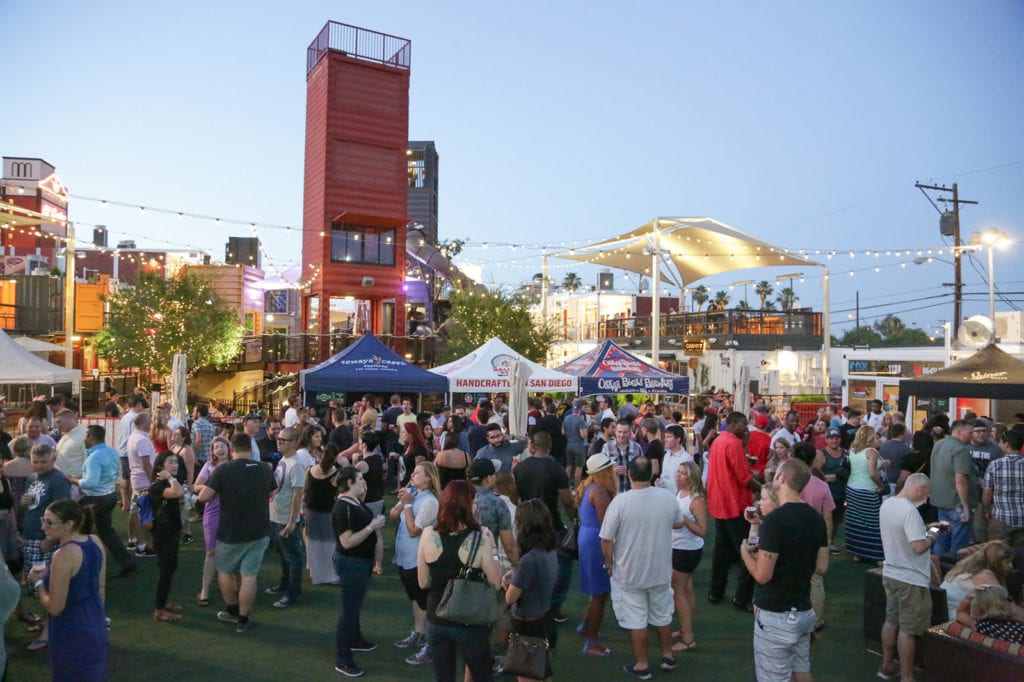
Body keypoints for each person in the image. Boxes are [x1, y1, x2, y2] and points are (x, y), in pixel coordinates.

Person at [739, 459, 829, 682]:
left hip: (775, 614)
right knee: (801, 672)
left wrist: (744, 553)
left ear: (782, 478)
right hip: (803, 610)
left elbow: (762, 575)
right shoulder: (815, 519)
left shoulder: (775, 521)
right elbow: (822, 567)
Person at [600, 457, 683, 679]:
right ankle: (668, 656)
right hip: (660, 569)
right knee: (662, 614)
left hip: (629, 571)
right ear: (652, 475)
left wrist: (608, 563)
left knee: (636, 618)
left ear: (629, 475)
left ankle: (642, 664)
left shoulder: (620, 501)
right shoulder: (667, 497)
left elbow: (606, 539)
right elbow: (677, 521)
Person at [417, 480, 502, 682]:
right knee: (482, 674)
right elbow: (496, 583)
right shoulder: (481, 538)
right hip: (470, 621)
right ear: (468, 504)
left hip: (436, 618)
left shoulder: (428, 534)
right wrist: (494, 550)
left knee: (444, 676)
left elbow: (423, 582)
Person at [196, 433, 276, 633]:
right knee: (249, 576)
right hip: (259, 530)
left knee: (225, 571)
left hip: (230, 531)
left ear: (232, 448)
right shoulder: (265, 469)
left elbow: (204, 497)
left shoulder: (223, 470)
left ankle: (232, 611)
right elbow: (272, 492)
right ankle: (243, 618)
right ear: (251, 447)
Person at [28, 499, 107, 681]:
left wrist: (39, 583)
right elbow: (100, 588)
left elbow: (55, 608)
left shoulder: (63, 555)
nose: (43, 527)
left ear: (68, 524)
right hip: (95, 622)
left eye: (49, 522)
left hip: (70, 630)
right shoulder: (95, 541)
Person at [877, 473, 943, 681]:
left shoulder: (887, 504)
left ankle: (887, 665)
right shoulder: (909, 511)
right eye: (926, 495)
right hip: (911, 578)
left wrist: (924, 529)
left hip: (890, 572)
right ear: (920, 489)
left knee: (891, 621)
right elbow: (918, 547)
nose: (925, 501)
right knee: (908, 629)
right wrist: (933, 534)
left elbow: (903, 533)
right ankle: (907, 676)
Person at [514, 431, 575, 624]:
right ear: (549, 446)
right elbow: (567, 499)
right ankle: (554, 606)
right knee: (561, 564)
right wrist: (573, 518)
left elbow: (515, 495)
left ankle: (526, 602)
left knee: (524, 565)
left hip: (526, 523)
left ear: (532, 445)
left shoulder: (520, 467)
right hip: (551, 524)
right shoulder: (557, 469)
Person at [332, 466, 387, 678]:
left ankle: (355, 640)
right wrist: (371, 527)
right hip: (351, 562)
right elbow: (346, 542)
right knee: (349, 610)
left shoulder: (354, 502)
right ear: (349, 483)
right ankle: (343, 659)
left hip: (360, 562)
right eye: (360, 479)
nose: (364, 482)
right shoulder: (343, 508)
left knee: (354, 606)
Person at [707, 411, 761, 612]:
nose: (746, 428)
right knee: (748, 549)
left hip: (719, 503)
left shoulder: (719, 441)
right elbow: (744, 478)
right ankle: (742, 597)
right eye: (743, 425)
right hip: (735, 505)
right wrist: (764, 489)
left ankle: (716, 591)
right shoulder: (733, 443)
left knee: (721, 551)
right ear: (733, 424)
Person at [22, 443, 72, 651]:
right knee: (36, 584)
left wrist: (49, 539)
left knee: (48, 584)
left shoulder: (59, 480)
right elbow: (34, 505)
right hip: (30, 538)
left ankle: (49, 632)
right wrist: (25, 503)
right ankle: (48, 622)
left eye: (44, 462)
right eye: (35, 462)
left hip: (44, 540)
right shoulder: (32, 478)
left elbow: (63, 512)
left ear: (52, 459)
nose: (39, 466)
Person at [69, 425, 137, 578]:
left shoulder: (94, 457)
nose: (84, 440)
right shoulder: (111, 451)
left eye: (85, 437)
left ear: (92, 437)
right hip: (109, 495)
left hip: (94, 499)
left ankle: (84, 565)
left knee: (81, 532)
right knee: (106, 532)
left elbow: (90, 483)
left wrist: (72, 479)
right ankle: (126, 561)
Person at [391, 461, 442, 665]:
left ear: (429, 478)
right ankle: (419, 633)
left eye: (417, 473)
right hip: (403, 554)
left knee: (425, 600)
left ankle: (432, 644)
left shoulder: (430, 501)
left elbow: (414, 530)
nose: (412, 475)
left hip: (419, 557)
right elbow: (393, 513)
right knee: (414, 597)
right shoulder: (412, 492)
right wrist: (405, 502)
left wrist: (409, 504)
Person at [503, 498, 559, 682]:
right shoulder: (550, 551)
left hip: (528, 628)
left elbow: (510, 598)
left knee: (528, 677)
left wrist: (507, 584)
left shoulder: (529, 559)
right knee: (542, 674)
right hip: (546, 621)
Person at [575, 453, 617, 657]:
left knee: (596, 590)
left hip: (588, 538)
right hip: (595, 541)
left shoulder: (588, 486)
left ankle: (586, 626)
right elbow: (607, 527)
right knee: (600, 593)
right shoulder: (599, 491)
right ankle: (591, 642)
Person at [266, 427, 308, 609]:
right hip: (276, 514)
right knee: (283, 555)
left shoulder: (296, 464)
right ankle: (284, 584)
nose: (279, 442)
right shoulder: (285, 459)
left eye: (283, 440)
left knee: (293, 557)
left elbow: (297, 495)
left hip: (285, 518)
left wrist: (292, 522)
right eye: (278, 438)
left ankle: (292, 592)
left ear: (294, 443)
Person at [669, 461, 707, 654]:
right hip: (680, 547)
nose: (678, 476)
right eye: (678, 472)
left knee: (679, 593)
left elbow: (702, 530)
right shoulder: (680, 493)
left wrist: (683, 521)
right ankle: (686, 628)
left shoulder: (696, 500)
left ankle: (688, 638)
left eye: (683, 474)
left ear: (691, 477)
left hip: (686, 551)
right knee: (687, 589)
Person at [929, 420, 977, 556]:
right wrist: (966, 506)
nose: (972, 435)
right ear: (959, 432)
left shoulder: (939, 444)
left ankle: (937, 570)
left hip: (940, 501)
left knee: (941, 539)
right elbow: (961, 479)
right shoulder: (961, 450)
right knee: (958, 546)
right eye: (970, 432)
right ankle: (954, 571)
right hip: (957, 504)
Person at [149, 451, 185, 622]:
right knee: (166, 569)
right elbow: (178, 493)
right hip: (164, 532)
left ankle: (163, 602)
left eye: (176, 462)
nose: (175, 465)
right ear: (161, 467)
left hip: (171, 530)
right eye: (171, 462)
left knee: (170, 568)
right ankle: (159, 609)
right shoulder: (158, 486)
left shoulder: (165, 483)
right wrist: (171, 478)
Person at [193, 436, 228, 606]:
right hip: (213, 511)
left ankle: (231, 588)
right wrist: (211, 487)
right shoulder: (209, 466)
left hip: (232, 512)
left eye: (222, 446)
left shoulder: (234, 466)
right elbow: (196, 486)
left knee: (231, 551)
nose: (220, 449)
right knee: (211, 551)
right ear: (212, 451)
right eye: (216, 447)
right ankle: (205, 589)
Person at [939, 540, 1015, 619]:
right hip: (953, 616)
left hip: (952, 611)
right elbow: (1010, 610)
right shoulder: (984, 576)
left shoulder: (971, 566)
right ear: (995, 562)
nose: (1011, 566)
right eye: (1007, 562)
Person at [845, 424, 886, 563]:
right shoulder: (872, 452)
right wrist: (881, 486)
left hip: (852, 488)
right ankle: (876, 555)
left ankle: (857, 552)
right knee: (873, 523)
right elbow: (873, 474)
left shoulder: (852, 450)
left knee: (855, 521)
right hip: (867, 490)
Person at [349, 431, 386, 575]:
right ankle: (378, 565)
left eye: (359, 441)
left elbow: (351, 477)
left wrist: (354, 462)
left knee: (362, 532)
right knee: (377, 533)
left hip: (367, 502)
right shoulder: (378, 459)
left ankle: (362, 561)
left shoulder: (363, 464)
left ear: (364, 444)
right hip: (379, 499)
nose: (358, 444)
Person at [305, 442, 341, 585]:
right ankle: (330, 575)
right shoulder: (337, 473)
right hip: (327, 512)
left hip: (311, 511)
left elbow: (305, 490)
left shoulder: (311, 470)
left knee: (312, 541)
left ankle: (315, 571)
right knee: (329, 544)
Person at [982, 430, 1024, 546]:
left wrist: (986, 509)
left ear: (1007, 445)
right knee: (1020, 556)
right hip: (1022, 518)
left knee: (998, 554)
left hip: (1001, 517)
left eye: (1001, 442)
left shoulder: (995, 465)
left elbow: (987, 492)